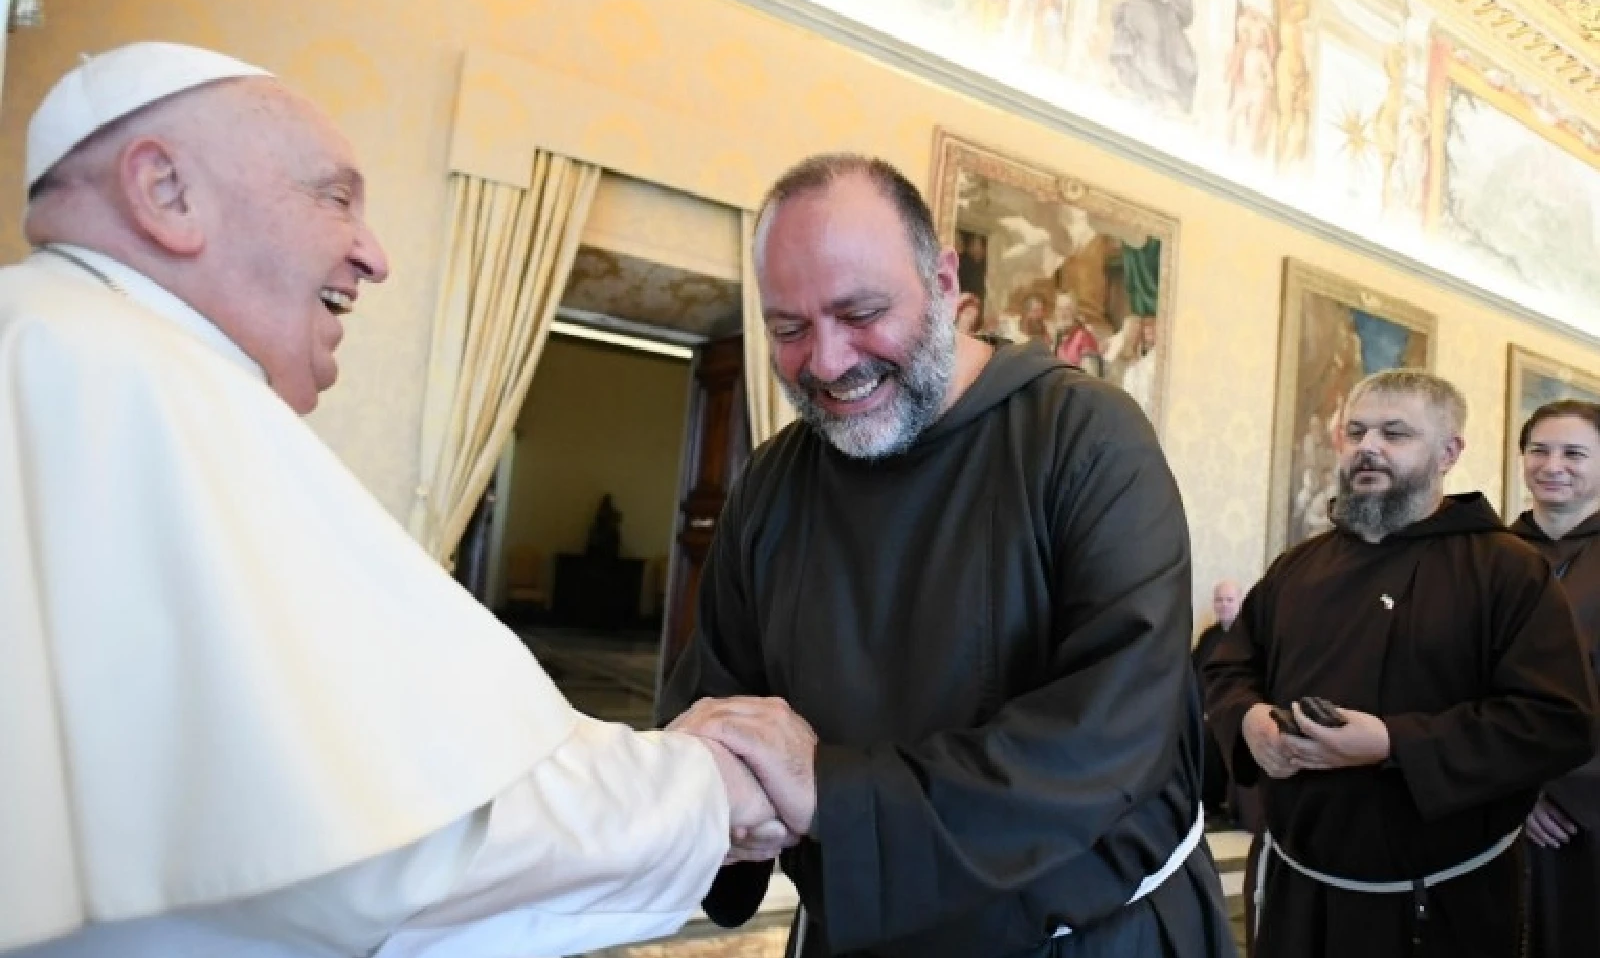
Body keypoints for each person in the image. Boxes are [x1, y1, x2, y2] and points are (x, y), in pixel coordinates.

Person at [0, 41, 788, 958]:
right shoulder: (121, 379)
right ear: (165, 190)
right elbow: (379, 849)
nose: (374, 256)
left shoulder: (77, 350)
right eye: (336, 197)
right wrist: (700, 790)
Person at [660, 153, 1234, 958]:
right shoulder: (774, 482)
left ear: (943, 280)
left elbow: (1107, 739)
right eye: (789, 329)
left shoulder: (1088, 440)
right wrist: (708, 797)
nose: (826, 362)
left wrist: (831, 793)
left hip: (1085, 940)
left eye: (860, 312)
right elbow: (715, 696)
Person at [1203, 369, 1598, 958]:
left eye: (1395, 433)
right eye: (1356, 430)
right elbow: (1229, 668)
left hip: (1439, 899)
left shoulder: (1507, 569)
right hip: (1293, 882)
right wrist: (1250, 721)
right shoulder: (1298, 565)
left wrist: (1393, 743)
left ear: (1449, 451)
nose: (1368, 446)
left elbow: (1555, 720)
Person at [1511, 399, 1600, 958]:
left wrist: (1561, 789)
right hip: (1494, 806)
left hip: (1589, 812)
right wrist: (1517, 791)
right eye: (1539, 450)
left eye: (1574, 453)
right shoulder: (1485, 556)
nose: (1553, 465)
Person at [1192, 581, 1242, 825]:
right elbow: (1193, 673)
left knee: (1210, 735)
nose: (1223, 605)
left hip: (1231, 709)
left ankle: (1214, 804)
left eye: (1229, 600)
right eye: (1219, 600)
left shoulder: (1245, 637)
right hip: (1205, 709)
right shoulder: (1208, 637)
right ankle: (1198, 802)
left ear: (1239, 602)